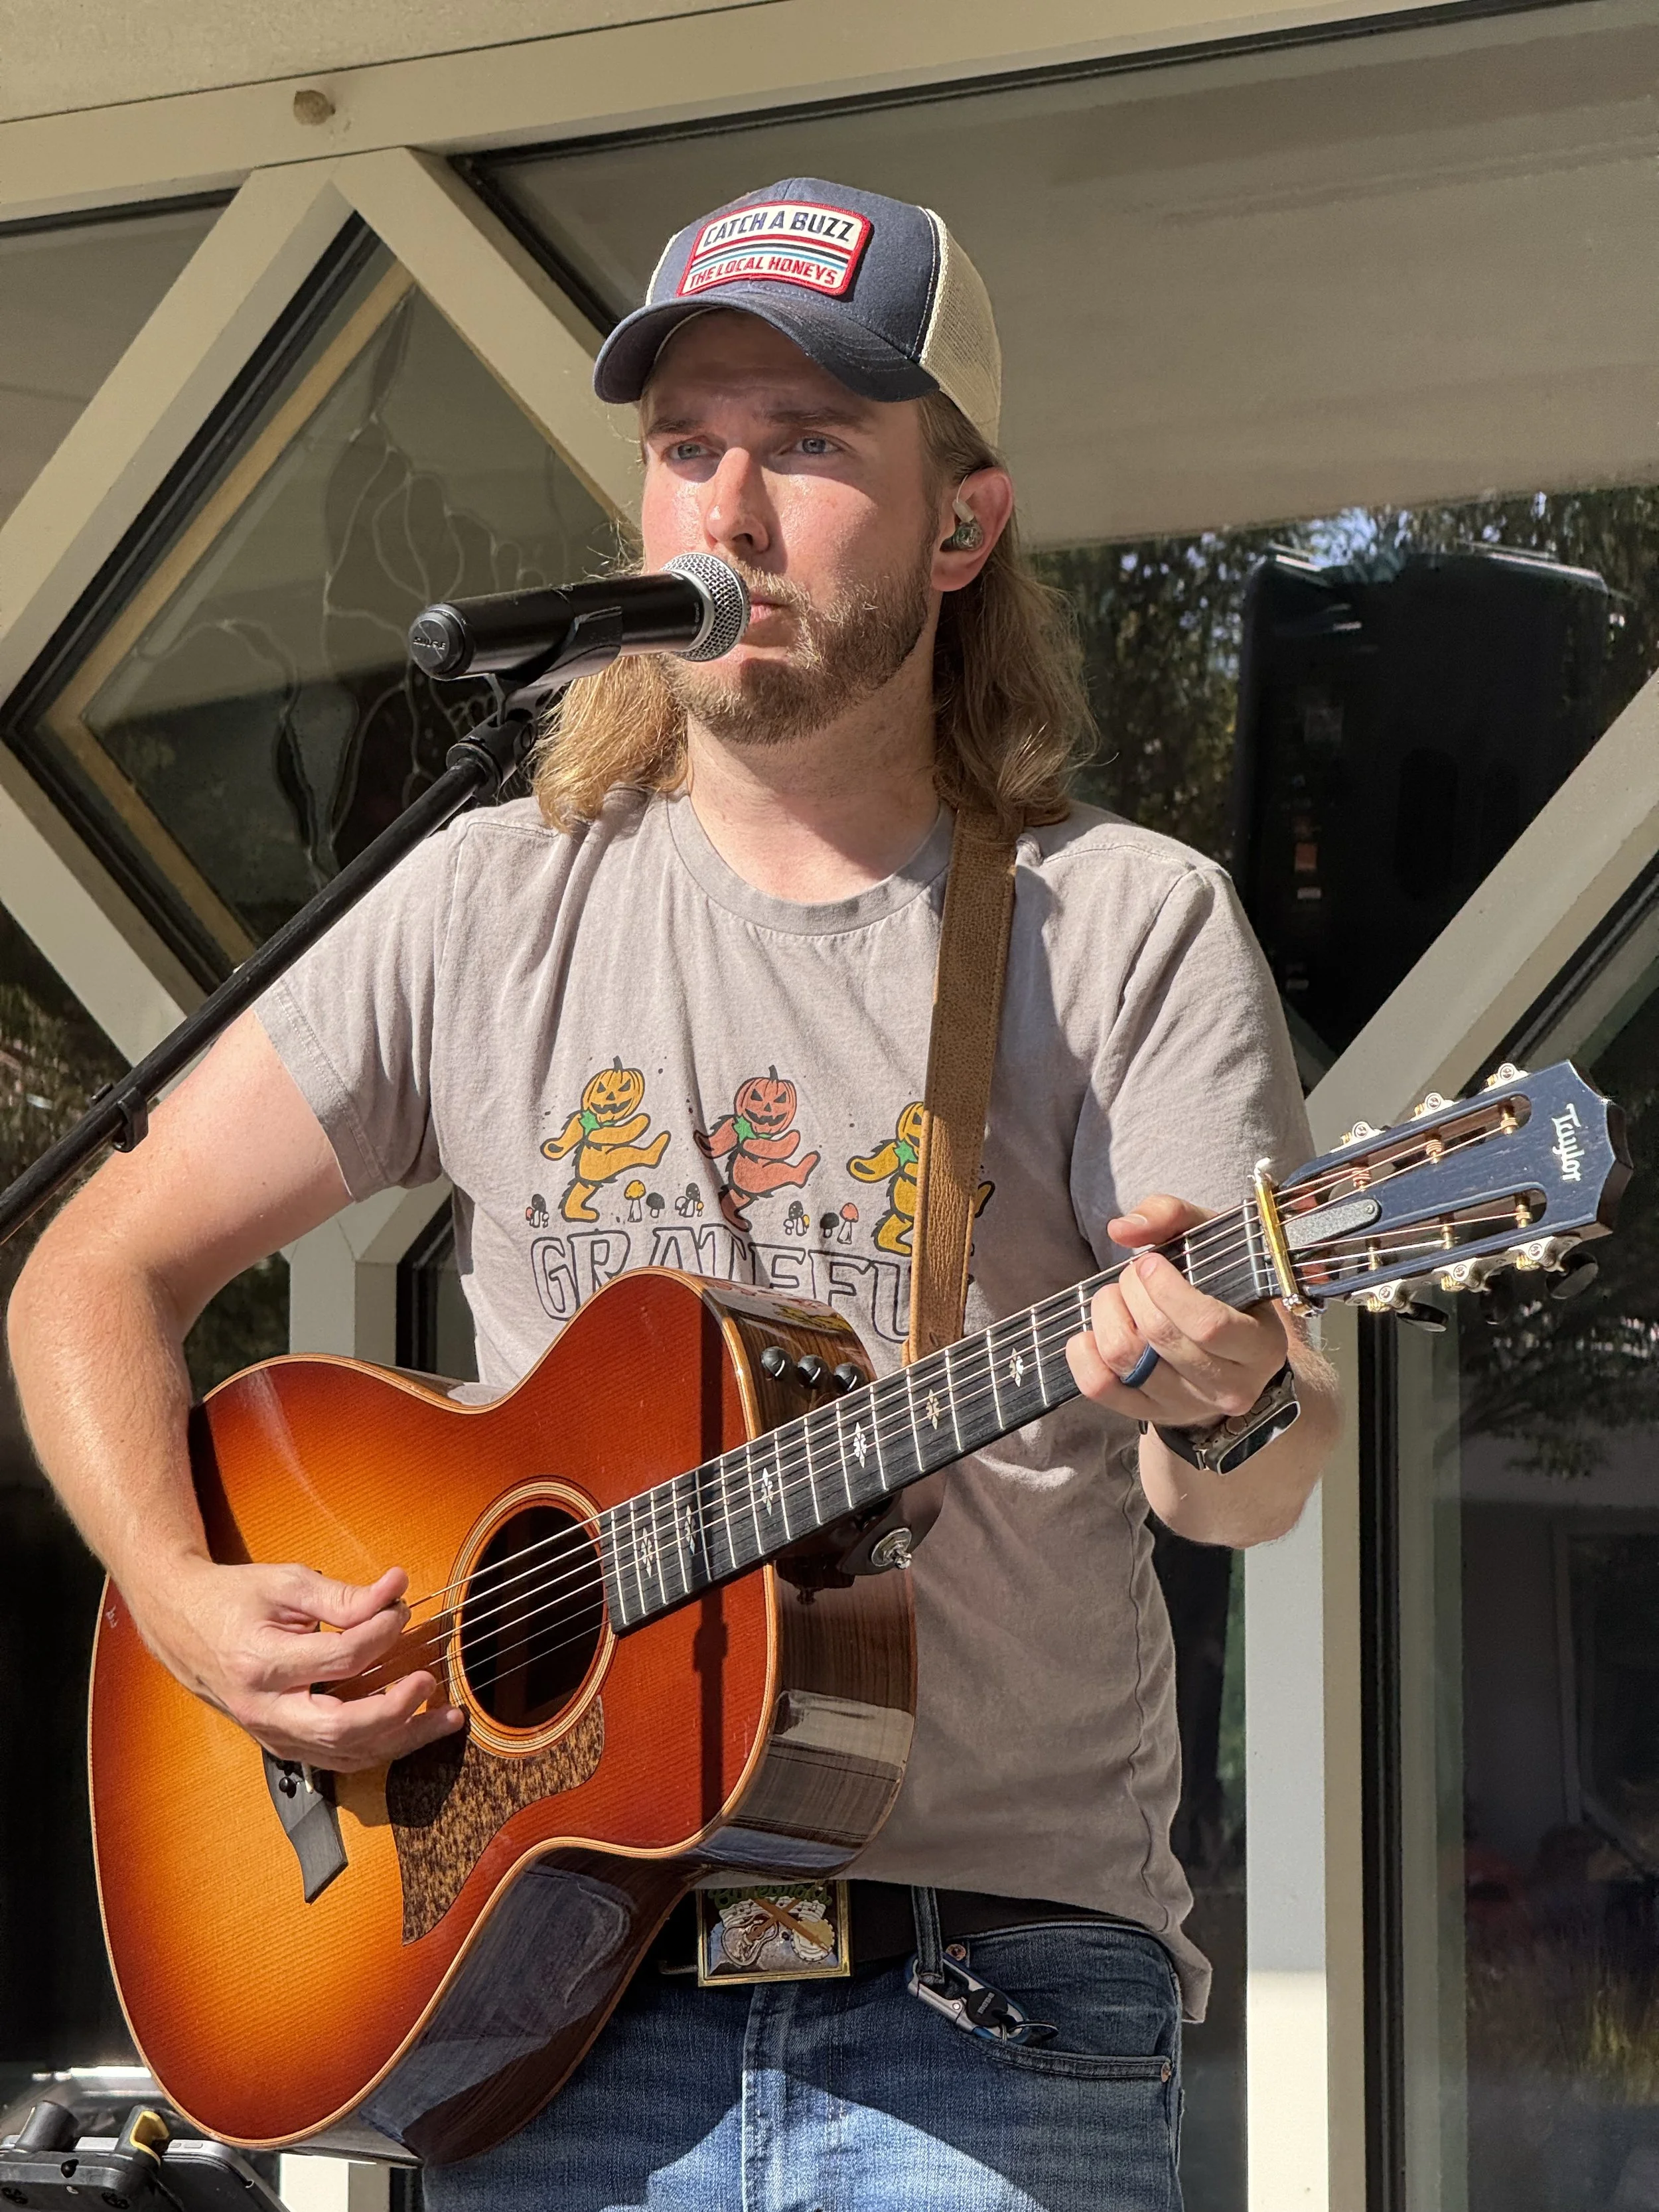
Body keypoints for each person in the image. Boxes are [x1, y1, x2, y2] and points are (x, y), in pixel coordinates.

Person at [7, 178, 1338, 2211]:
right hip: (552, 2005)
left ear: (959, 527)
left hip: (981, 2010)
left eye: (810, 449)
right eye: (688, 446)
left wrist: (1224, 1382)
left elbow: (1242, 1474)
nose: (727, 511)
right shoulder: (480, 897)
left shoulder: (1120, 929)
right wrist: (192, 1608)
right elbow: (92, 1260)